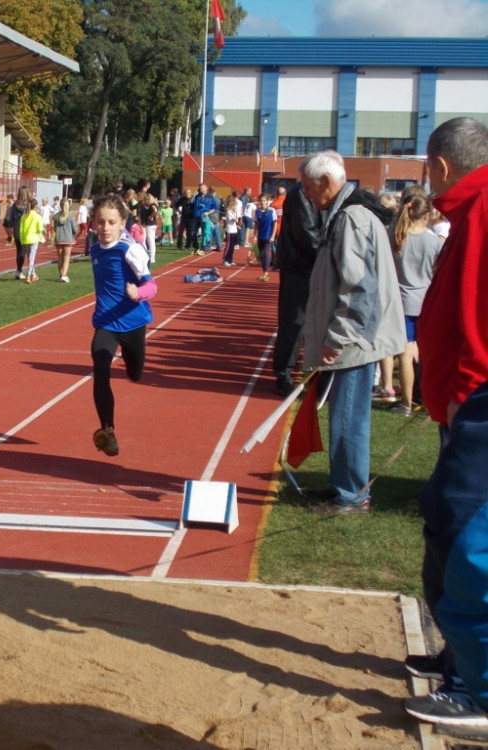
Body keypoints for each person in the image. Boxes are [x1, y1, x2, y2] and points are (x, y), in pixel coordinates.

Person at [400, 118, 488, 729]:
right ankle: (460, 660)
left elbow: (476, 311)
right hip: (466, 400)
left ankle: (476, 691)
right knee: (443, 519)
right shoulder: (468, 211)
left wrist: (463, 392)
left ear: (441, 167)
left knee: (464, 537)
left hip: (477, 402)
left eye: (428, 169)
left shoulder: (480, 213)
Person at [299, 149, 404, 514]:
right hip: (356, 337)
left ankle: (352, 495)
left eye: (308, 187)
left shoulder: (351, 218)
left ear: (326, 182)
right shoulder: (347, 213)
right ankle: (342, 486)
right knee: (343, 415)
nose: (306, 194)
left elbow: (359, 289)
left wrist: (337, 339)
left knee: (348, 418)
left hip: (356, 340)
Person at [88, 195, 157, 457]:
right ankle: (108, 431)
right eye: (100, 222)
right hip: (106, 322)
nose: (105, 228)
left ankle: (132, 364)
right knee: (100, 365)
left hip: (133, 322)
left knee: (135, 373)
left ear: (122, 223)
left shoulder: (130, 249)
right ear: (93, 222)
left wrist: (137, 293)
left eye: (111, 222)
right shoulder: (95, 249)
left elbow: (152, 285)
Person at [387, 193, 440, 417]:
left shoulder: (397, 235)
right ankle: (424, 398)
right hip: (426, 302)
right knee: (425, 353)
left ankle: (407, 403)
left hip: (402, 301)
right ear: (426, 215)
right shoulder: (433, 240)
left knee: (405, 355)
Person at [272, 182, 323, 396]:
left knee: (307, 321)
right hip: (300, 266)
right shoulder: (302, 194)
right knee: (295, 321)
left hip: (305, 265)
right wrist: (331, 252)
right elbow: (307, 233)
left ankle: (305, 370)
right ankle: (284, 374)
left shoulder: (308, 193)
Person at [253, 194, 278, 281]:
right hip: (260, 236)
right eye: (261, 200)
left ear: (267, 201)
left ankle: (266, 273)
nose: (263, 202)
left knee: (266, 254)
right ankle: (264, 272)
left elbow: (275, 224)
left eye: (264, 200)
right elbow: (256, 224)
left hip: (268, 236)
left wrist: (273, 236)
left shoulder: (272, 210)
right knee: (261, 255)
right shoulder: (257, 211)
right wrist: (255, 235)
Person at [19, 198, 44, 283]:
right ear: (36, 206)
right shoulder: (38, 216)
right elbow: (40, 229)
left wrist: (22, 240)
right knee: (31, 259)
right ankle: (29, 276)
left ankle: (34, 274)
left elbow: (21, 230)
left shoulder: (24, 216)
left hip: (26, 239)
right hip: (34, 239)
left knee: (30, 258)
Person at [52, 197, 76, 282]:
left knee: (60, 258)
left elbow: (54, 228)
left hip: (59, 238)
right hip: (68, 239)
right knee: (66, 258)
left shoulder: (56, 216)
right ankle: (64, 275)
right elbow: (75, 229)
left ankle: (61, 275)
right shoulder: (70, 216)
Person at [8, 186, 29, 278]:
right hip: (24, 229)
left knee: (19, 251)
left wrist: (11, 231)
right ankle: (21, 271)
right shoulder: (27, 204)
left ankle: (18, 270)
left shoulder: (14, 204)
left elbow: (11, 218)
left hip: (17, 228)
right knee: (24, 251)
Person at [222, 194, 241, 267]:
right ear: (231, 205)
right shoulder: (229, 212)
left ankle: (230, 260)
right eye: (235, 205)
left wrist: (237, 223)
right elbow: (235, 220)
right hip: (229, 231)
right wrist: (236, 216)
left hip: (234, 231)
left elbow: (236, 221)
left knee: (232, 247)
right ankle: (225, 260)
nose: (236, 207)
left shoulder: (233, 212)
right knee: (228, 246)